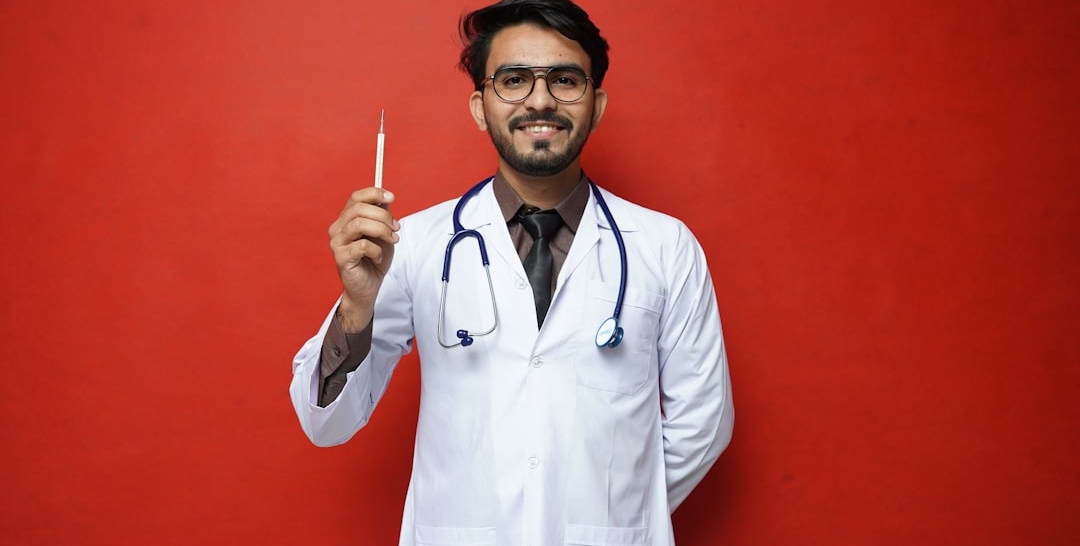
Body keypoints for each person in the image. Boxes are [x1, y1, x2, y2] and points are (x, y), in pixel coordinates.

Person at [289, 0, 734, 544]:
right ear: (480, 107)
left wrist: (609, 517)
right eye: (514, 80)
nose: (540, 100)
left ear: (596, 105)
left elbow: (703, 422)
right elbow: (326, 424)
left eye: (565, 80)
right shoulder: (413, 244)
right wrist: (357, 305)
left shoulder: (665, 247)